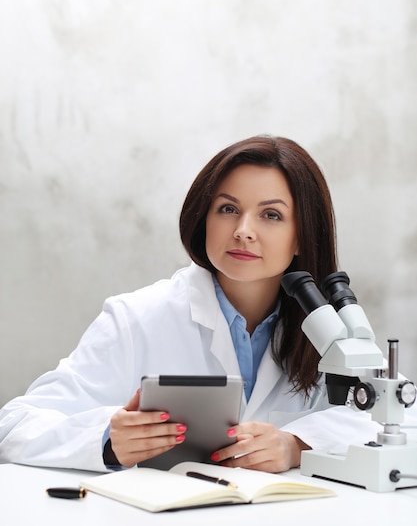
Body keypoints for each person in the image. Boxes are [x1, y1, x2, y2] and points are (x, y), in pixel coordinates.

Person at [1, 134, 410, 474]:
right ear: (204, 218)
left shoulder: (330, 331)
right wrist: (107, 440)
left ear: (302, 236)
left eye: (270, 215)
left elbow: (401, 418)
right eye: (228, 209)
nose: (244, 231)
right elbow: (14, 425)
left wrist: (298, 444)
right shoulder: (137, 318)